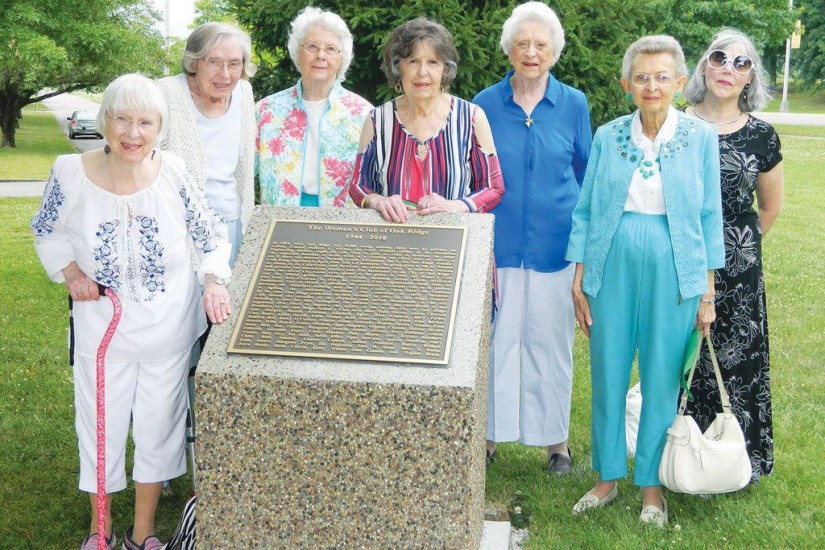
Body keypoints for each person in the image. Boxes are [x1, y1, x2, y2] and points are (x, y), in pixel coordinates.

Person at [30, 74, 232, 550]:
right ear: (105, 121)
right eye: (122, 119)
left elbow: (212, 235)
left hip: (167, 330)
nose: (133, 133)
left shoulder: (176, 172)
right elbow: (45, 230)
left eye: (145, 122)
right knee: (99, 426)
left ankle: (143, 533)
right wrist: (71, 272)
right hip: (101, 332)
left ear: (160, 126)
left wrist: (213, 281)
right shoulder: (70, 172)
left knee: (159, 427)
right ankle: (99, 532)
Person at [565, 36, 724, 527]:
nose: (651, 85)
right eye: (641, 77)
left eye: (661, 77)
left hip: (676, 264)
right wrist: (579, 275)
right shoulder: (608, 135)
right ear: (626, 85)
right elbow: (588, 208)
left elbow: (707, 214)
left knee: (661, 373)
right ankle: (607, 477)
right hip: (610, 259)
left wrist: (707, 289)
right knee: (609, 368)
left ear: (679, 83)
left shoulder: (699, 138)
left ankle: (652, 487)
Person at [473, 1, 591, 473]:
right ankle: (489, 437)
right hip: (496, 246)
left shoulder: (574, 103)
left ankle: (555, 442)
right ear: (508, 50)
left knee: (549, 342)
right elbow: (473, 173)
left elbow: (584, 172)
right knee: (497, 341)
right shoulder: (483, 103)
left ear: (554, 51)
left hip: (554, 246)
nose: (531, 51)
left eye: (540, 44)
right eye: (522, 42)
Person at [683, 28, 783, 483]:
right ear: (705, 66)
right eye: (720, 58)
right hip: (679, 263)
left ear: (750, 79)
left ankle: (742, 459)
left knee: (738, 363)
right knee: (683, 359)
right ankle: (682, 451)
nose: (728, 69)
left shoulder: (762, 135)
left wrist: (737, 251)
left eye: (741, 63)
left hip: (739, 271)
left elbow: (769, 208)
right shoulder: (673, 124)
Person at [349, 17, 504, 222]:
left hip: (454, 242)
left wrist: (454, 206)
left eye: (433, 62)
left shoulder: (472, 117)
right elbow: (358, 185)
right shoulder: (377, 120)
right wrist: (378, 201)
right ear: (398, 67)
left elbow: (493, 187)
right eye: (413, 61)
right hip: (393, 246)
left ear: (444, 70)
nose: (423, 72)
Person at [157, 22, 256, 266]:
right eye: (214, 62)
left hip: (232, 222)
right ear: (194, 62)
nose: (225, 74)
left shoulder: (244, 92)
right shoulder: (165, 93)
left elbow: (243, 167)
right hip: (177, 226)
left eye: (234, 64)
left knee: (226, 300)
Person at [256, 7, 372, 208]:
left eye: (330, 49)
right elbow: (243, 172)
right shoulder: (267, 110)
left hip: (342, 227)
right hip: (280, 221)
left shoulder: (364, 113)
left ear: (341, 58)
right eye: (312, 46)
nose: (320, 55)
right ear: (297, 53)